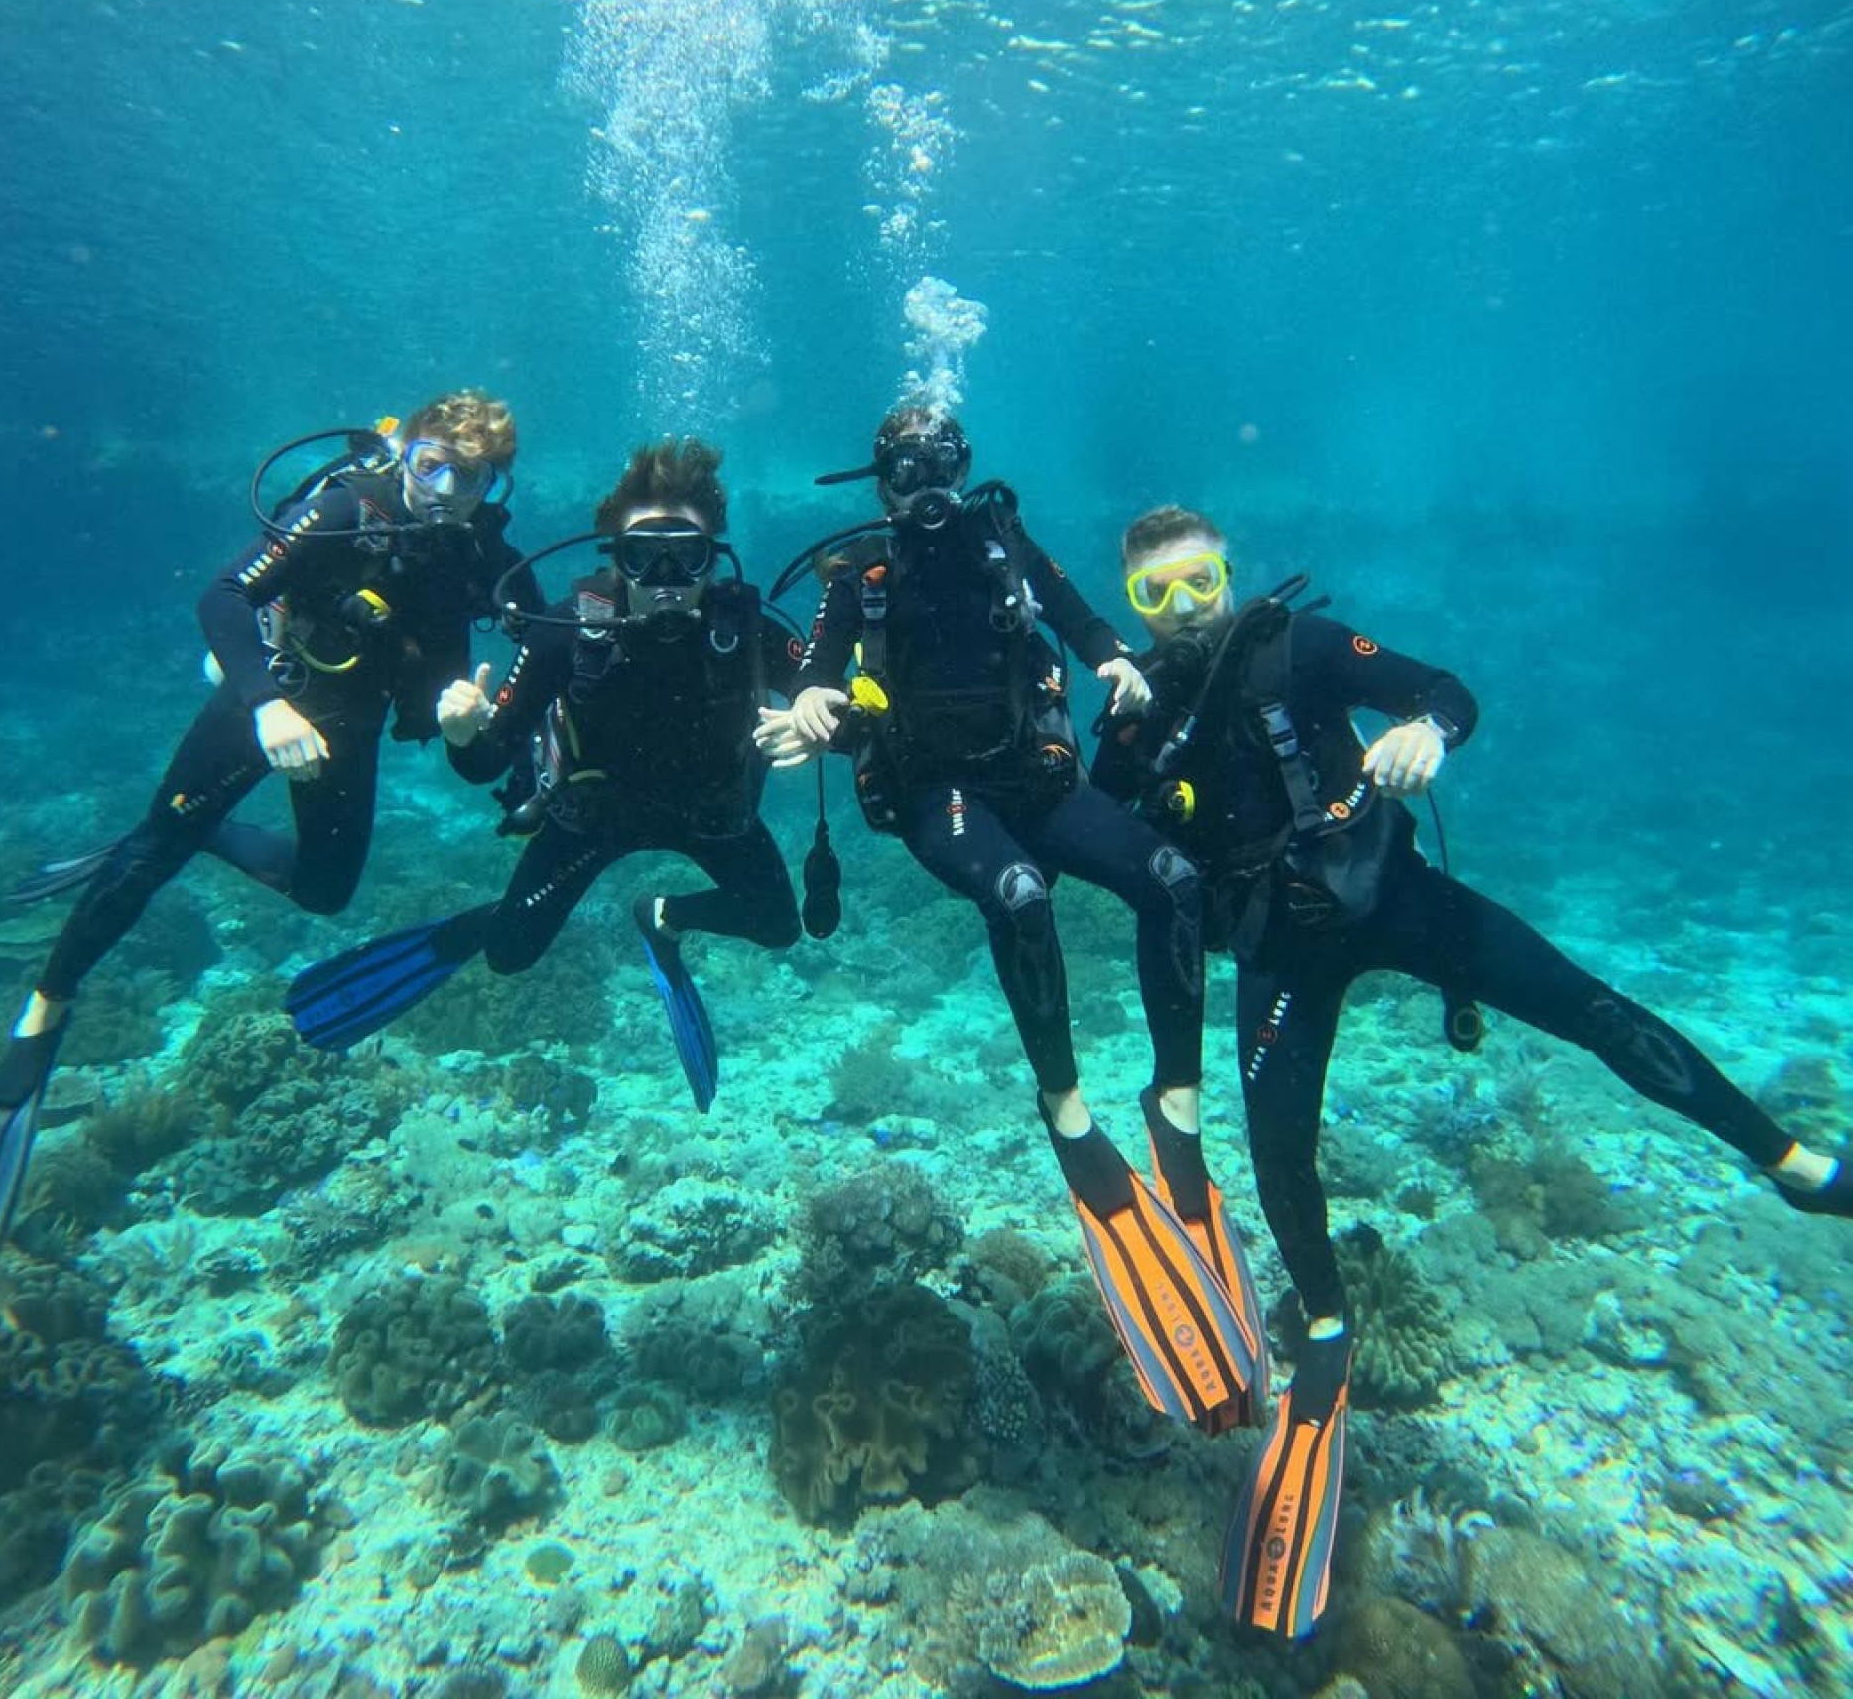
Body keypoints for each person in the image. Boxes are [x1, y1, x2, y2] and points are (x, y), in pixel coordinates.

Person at [1093, 502, 1853, 1641]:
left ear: (1229, 574)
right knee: (1279, 1150)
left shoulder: (1294, 647)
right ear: (1129, 606)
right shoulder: (1142, 708)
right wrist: (1112, 742)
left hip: (1397, 900)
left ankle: (1793, 1160)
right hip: (1277, 955)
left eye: (1196, 581)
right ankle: (1329, 1325)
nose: (1183, 608)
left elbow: (1443, 686)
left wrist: (1427, 737)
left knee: (1592, 1009)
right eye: (1154, 594)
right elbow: (1098, 831)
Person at [0, 392, 537, 1287]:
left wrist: (482, 718)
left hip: (350, 732)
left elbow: (549, 645)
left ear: (495, 481)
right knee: (150, 853)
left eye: (470, 473)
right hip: (272, 699)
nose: (445, 488)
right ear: (403, 452)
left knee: (325, 892)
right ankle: (43, 1013)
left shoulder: (487, 553)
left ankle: (204, 831)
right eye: (430, 463)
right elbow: (225, 594)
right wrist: (265, 703)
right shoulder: (344, 509)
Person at [757, 406, 1268, 1434]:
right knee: (1021, 895)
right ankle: (1068, 1110)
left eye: (941, 463)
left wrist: (1114, 658)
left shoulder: (1003, 539)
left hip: (1032, 779)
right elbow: (821, 666)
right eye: (905, 471)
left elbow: (1073, 610)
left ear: (964, 466)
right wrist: (814, 707)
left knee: (1171, 877)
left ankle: (1175, 1098)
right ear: (882, 483)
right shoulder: (859, 574)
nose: (925, 484)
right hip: (940, 794)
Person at [282, 437, 802, 1113]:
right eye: (645, 556)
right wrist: (464, 732)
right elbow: (486, 764)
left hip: (712, 814)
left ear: (716, 556)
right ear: (616, 556)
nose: (667, 574)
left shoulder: (749, 629)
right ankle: (483, 923)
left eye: (689, 555)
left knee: (779, 925)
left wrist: (823, 708)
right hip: (592, 820)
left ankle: (661, 917)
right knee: (509, 955)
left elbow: (835, 702)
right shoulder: (563, 629)